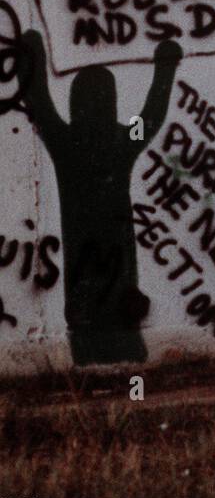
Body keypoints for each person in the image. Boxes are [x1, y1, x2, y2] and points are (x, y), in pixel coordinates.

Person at [17, 31, 182, 365]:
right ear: (112, 101)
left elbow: (39, 101)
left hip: (81, 253)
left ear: (76, 103)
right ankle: (125, 349)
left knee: (87, 308)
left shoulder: (65, 143)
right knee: (119, 306)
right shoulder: (123, 142)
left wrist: (31, 53)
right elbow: (151, 115)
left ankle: (88, 353)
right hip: (118, 251)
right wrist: (165, 67)